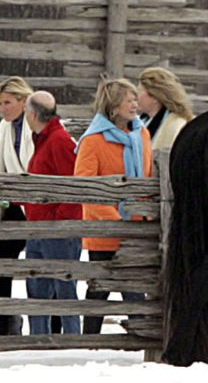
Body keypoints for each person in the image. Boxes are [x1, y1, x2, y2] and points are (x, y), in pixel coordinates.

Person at [74, 78, 153, 334]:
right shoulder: (93, 141)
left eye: (134, 99)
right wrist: (117, 222)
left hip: (137, 229)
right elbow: (87, 188)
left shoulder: (142, 134)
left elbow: (148, 177)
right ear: (113, 106)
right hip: (104, 232)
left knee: (134, 288)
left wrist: (143, 215)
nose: (134, 104)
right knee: (99, 289)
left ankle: (142, 337)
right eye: (128, 100)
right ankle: (89, 343)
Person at [23, 91, 83, 334]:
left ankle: (73, 341)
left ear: (33, 114)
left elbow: (73, 185)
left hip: (57, 230)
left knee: (64, 288)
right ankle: (38, 341)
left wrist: (59, 222)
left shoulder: (58, 140)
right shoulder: (43, 139)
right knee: (36, 288)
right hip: (38, 228)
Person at [0, 76, 34, 336]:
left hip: (37, 204)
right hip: (12, 207)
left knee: (41, 271)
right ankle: (6, 320)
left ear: (24, 102)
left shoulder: (36, 130)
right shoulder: (3, 129)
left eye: (8, 102)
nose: (3, 108)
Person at [137, 67, 194, 150]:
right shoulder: (141, 121)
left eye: (139, 91)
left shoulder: (175, 126)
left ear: (154, 97)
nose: (135, 96)